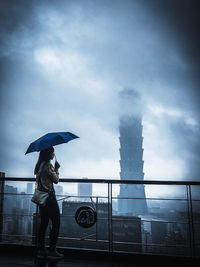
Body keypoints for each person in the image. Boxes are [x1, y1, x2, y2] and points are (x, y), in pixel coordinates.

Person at [34, 146, 64, 259]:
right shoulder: (48, 165)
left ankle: (41, 250)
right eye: (52, 152)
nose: (53, 154)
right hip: (49, 198)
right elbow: (56, 180)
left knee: (43, 223)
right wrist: (57, 169)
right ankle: (52, 250)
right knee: (56, 222)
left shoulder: (39, 165)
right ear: (48, 154)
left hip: (41, 198)